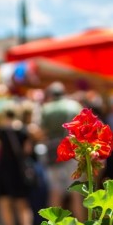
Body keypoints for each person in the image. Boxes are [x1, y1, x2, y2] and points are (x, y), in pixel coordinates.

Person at [39, 82, 83, 217]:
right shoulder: (75, 106)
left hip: (54, 154)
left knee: (55, 192)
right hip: (74, 152)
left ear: (51, 94)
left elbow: (41, 132)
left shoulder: (46, 108)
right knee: (76, 193)